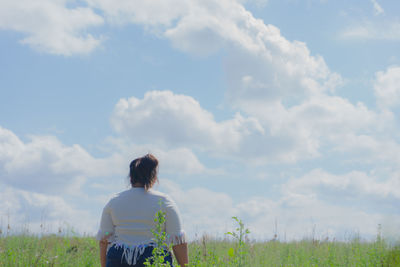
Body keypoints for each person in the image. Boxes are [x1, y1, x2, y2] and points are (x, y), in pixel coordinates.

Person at [97, 154, 188, 267]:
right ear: (154, 177)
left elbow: (104, 239)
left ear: (131, 177)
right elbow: (178, 241)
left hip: (118, 258)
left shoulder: (114, 201)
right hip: (153, 257)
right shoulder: (165, 201)